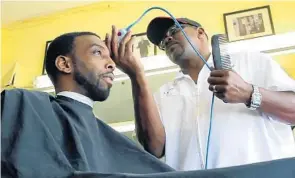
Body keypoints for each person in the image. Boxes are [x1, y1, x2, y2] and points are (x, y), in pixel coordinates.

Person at [107, 17, 295, 171]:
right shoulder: (164, 94)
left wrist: (250, 93)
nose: (167, 38)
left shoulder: (252, 62)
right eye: (162, 42)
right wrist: (137, 76)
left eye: (174, 30)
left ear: (201, 33)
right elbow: (154, 148)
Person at [1, 31, 174, 177]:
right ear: (65, 64)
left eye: (110, 58)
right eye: (97, 53)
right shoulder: (23, 104)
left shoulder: (109, 137)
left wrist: (137, 73)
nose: (112, 64)